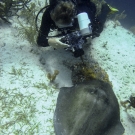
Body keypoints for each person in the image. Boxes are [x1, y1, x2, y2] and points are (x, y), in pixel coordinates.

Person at [37, 0, 117, 57]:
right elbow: (40, 41)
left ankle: (106, 8)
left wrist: (83, 41)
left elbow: (92, 31)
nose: (65, 28)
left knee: (97, 29)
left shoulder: (83, 10)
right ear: (53, 17)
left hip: (83, 5)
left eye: (67, 24)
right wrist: (50, 42)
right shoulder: (48, 14)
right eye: (61, 25)